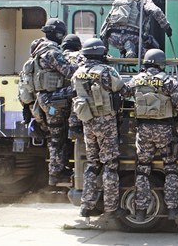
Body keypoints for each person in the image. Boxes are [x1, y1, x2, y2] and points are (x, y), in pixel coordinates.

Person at [121, 49, 178, 222]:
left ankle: (141, 210)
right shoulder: (167, 80)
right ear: (161, 63)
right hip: (164, 129)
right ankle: (173, 209)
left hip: (143, 129)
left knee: (143, 170)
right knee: (171, 169)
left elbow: (123, 93)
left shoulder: (136, 80)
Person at [71, 38, 127, 219]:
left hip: (88, 122)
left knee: (93, 164)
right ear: (101, 53)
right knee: (110, 165)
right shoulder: (106, 71)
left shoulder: (78, 73)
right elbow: (121, 89)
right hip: (106, 122)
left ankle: (86, 205)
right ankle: (112, 208)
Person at [29, 18, 78, 186]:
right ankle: (56, 173)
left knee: (56, 136)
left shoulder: (38, 49)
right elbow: (71, 72)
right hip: (54, 99)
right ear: (58, 34)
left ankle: (56, 171)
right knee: (58, 137)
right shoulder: (51, 52)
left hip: (45, 99)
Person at [100, 0, 173, 58]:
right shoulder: (143, 0)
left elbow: (106, 22)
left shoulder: (118, 0)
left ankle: (126, 50)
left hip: (113, 38)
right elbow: (156, 11)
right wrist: (166, 26)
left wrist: (104, 47)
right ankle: (132, 50)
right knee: (153, 50)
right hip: (133, 37)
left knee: (124, 43)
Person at [61, 34, 85, 140]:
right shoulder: (80, 56)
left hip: (58, 93)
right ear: (78, 46)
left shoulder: (58, 56)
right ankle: (74, 128)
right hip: (75, 90)